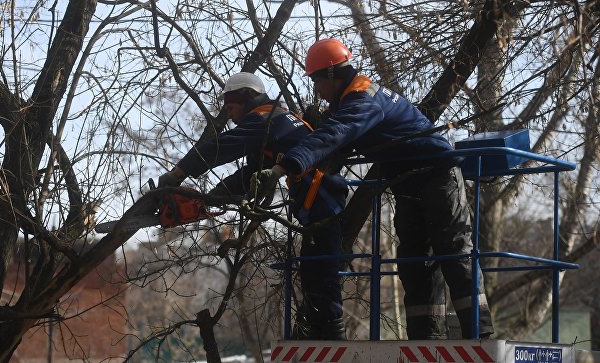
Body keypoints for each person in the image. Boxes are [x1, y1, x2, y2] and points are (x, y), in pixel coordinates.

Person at [251, 39, 494, 339]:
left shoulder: (363, 99)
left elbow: (336, 133)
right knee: (415, 259)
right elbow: (333, 137)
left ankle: (478, 333)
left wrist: (283, 166)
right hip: (406, 181)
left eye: (315, 80)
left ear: (329, 75)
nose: (316, 90)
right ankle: (426, 336)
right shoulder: (349, 102)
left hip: (438, 174)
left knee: (454, 249)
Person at [158, 72, 348, 340]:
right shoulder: (277, 121)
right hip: (318, 198)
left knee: (321, 269)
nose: (229, 113)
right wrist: (211, 197)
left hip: (323, 197)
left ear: (247, 97)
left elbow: (222, 147)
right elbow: (252, 173)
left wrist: (178, 173)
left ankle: (331, 333)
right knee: (312, 268)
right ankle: (319, 329)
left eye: (231, 106)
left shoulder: (266, 119)